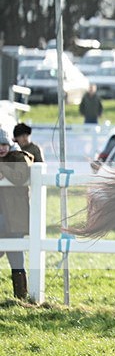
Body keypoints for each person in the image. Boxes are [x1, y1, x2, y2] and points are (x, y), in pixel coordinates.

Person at [0, 126, 33, 300]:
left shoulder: (20, 157)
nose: (1, 147)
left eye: (4, 143)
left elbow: (20, 178)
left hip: (14, 217)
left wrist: (2, 169)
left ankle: (21, 297)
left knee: (16, 259)